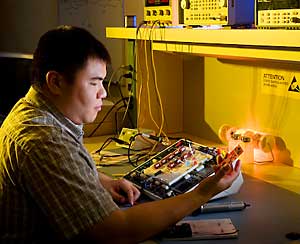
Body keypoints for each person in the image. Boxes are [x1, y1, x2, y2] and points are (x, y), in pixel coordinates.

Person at [0, 25, 241, 243]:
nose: (103, 93)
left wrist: (104, 181)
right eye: (94, 83)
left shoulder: (32, 112)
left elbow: (66, 168)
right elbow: (115, 232)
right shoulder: (45, 140)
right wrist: (204, 191)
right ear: (56, 82)